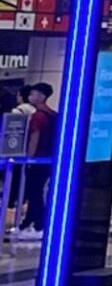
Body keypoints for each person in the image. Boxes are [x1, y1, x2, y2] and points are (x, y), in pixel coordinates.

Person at [15, 84, 58, 237]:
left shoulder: (38, 116)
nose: (30, 97)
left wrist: (29, 159)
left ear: (41, 96)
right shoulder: (54, 115)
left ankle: (38, 224)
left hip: (38, 159)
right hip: (49, 159)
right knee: (38, 191)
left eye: (33, 94)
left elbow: (35, 137)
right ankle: (28, 222)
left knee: (34, 192)